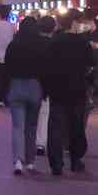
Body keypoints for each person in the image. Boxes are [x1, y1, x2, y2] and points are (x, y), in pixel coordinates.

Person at [43, 9, 95, 176]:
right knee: (76, 127)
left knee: (56, 127)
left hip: (57, 90)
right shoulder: (82, 42)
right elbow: (91, 64)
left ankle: (56, 164)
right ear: (73, 22)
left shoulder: (54, 41)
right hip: (77, 89)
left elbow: (46, 66)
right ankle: (75, 160)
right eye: (80, 21)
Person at [4, 16, 49, 175]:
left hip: (16, 85)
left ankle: (18, 161)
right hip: (35, 86)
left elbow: (6, 68)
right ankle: (30, 161)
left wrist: (5, 89)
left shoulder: (13, 44)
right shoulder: (41, 45)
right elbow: (45, 69)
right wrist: (45, 90)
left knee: (17, 126)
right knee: (31, 126)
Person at [35, 15, 57, 155]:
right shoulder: (55, 44)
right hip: (49, 84)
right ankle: (41, 143)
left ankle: (30, 140)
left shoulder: (32, 43)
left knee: (32, 114)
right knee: (44, 114)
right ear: (53, 28)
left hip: (32, 82)